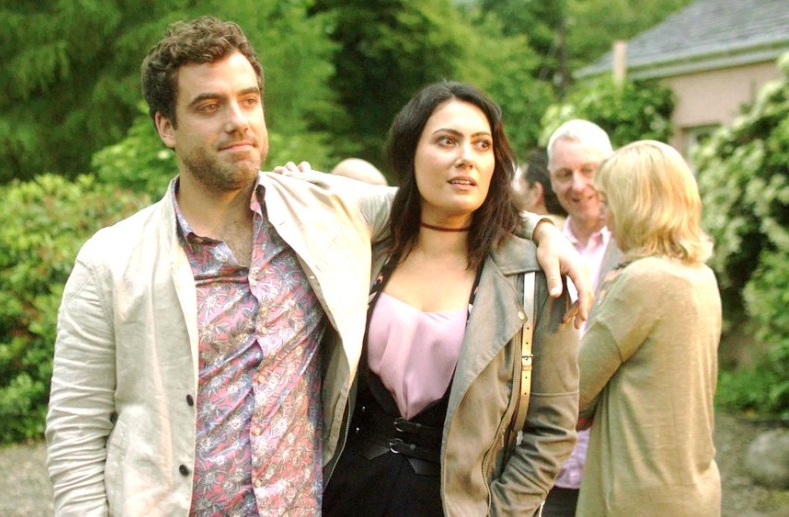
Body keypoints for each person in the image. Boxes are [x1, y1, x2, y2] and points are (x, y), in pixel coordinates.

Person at [44, 17, 591, 516]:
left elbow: (446, 199)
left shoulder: (319, 214)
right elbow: (75, 434)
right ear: (166, 126)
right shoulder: (111, 263)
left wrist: (543, 231)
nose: (237, 121)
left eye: (248, 100)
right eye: (209, 106)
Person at [321, 81, 579, 516]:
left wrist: (502, 511)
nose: (466, 157)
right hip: (346, 496)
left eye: (482, 144)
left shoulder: (534, 275)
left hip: (459, 504)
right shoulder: (363, 251)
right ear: (410, 152)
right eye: (446, 141)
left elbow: (552, 429)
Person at [576, 141, 721, 516]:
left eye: (609, 204)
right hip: (693, 487)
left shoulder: (641, 280)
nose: (606, 219)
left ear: (634, 207)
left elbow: (574, 392)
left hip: (634, 493)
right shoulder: (702, 277)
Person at [542, 119, 619, 517]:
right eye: (564, 174)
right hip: (549, 463)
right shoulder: (541, 248)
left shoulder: (637, 248)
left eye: (589, 170)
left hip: (613, 462)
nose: (578, 185)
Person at [514, 147, 566, 225]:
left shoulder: (526, 230)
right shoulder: (574, 228)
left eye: (519, 183)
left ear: (535, 193)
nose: (515, 192)